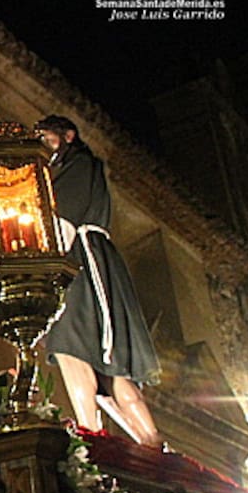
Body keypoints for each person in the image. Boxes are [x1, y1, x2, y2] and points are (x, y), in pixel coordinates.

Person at [35, 115, 162, 446]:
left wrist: (44, 268)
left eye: (47, 139)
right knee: (104, 362)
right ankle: (151, 444)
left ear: (67, 136)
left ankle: (92, 435)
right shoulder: (69, 167)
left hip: (77, 258)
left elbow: (63, 217)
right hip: (89, 262)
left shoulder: (77, 163)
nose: (44, 146)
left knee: (69, 346)